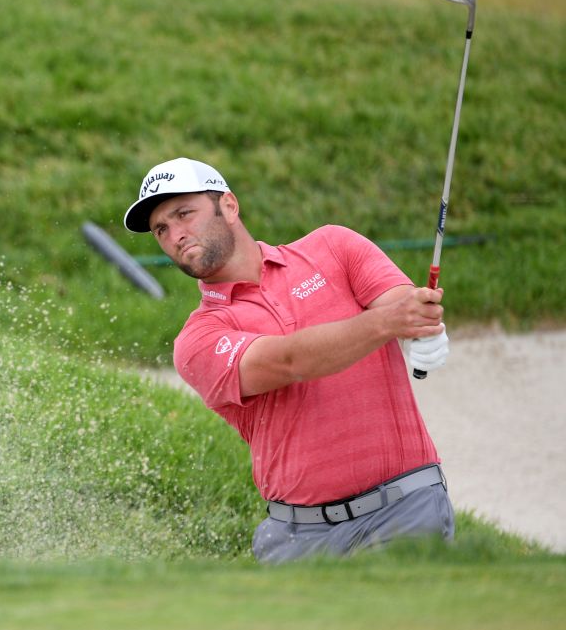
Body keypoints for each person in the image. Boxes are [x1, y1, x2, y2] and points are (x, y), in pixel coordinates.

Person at [123, 157, 454, 564]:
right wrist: (390, 322)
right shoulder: (198, 339)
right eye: (161, 229)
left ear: (228, 206)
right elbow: (288, 362)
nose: (175, 234)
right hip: (300, 539)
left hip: (405, 510)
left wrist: (422, 327)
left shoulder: (333, 247)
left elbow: (403, 306)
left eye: (184, 214)